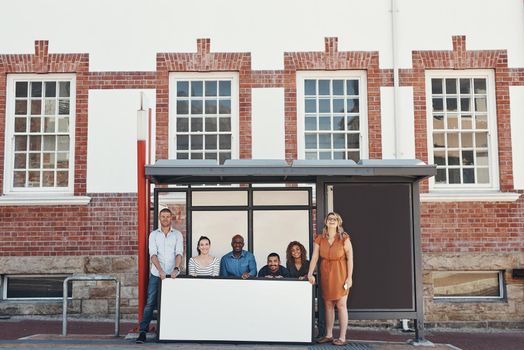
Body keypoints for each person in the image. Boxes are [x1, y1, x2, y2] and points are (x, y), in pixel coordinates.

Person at [136, 208, 183, 344]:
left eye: (168, 216)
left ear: (171, 218)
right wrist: (161, 270)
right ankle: (143, 332)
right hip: (157, 274)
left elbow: (179, 253)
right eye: (163, 216)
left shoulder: (177, 235)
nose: (165, 219)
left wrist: (175, 269)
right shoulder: (154, 235)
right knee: (150, 303)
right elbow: (153, 254)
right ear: (159, 217)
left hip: (173, 275)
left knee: (173, 303)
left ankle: (171, 330)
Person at [307, 212, 354, 346]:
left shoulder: (344, 238)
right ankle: (328, 335)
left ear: (339, 222)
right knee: (328, 305)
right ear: (326, 222)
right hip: (326, 273)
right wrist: (310, 273)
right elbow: (315, 257)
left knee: (341, 305)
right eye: (330, 219)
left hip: (341, 273)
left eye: (335, 219)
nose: (332, 221)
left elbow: (350, 258)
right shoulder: (320, 238)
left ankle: (343, 337)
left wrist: (349, 278)